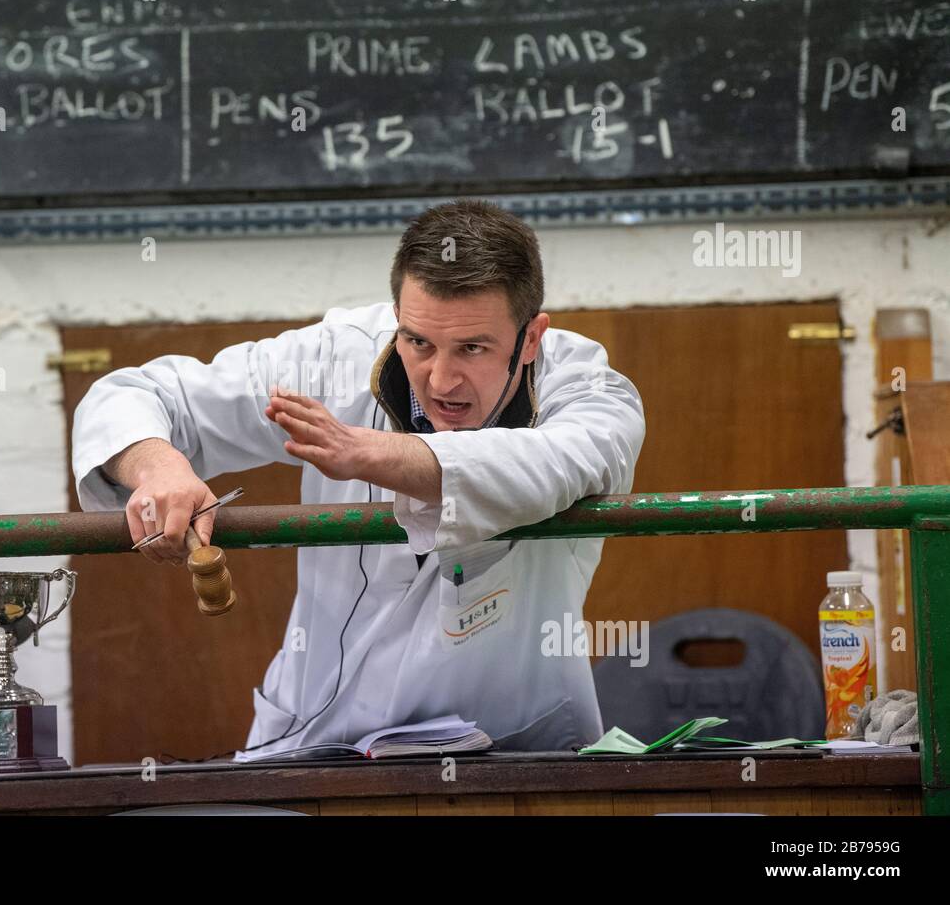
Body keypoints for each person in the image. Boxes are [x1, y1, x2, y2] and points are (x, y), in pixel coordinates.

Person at [71, 199, 645, 756]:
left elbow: (550, 464)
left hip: (517, 750)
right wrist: (160, 467)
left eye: (472, 347)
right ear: (397, 316)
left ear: (531, 338)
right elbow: (136, 394)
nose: (441, 380)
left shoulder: (591, 390)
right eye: (418, 341)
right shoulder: (338, 357)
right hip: (321, 740)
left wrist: (367, 452)